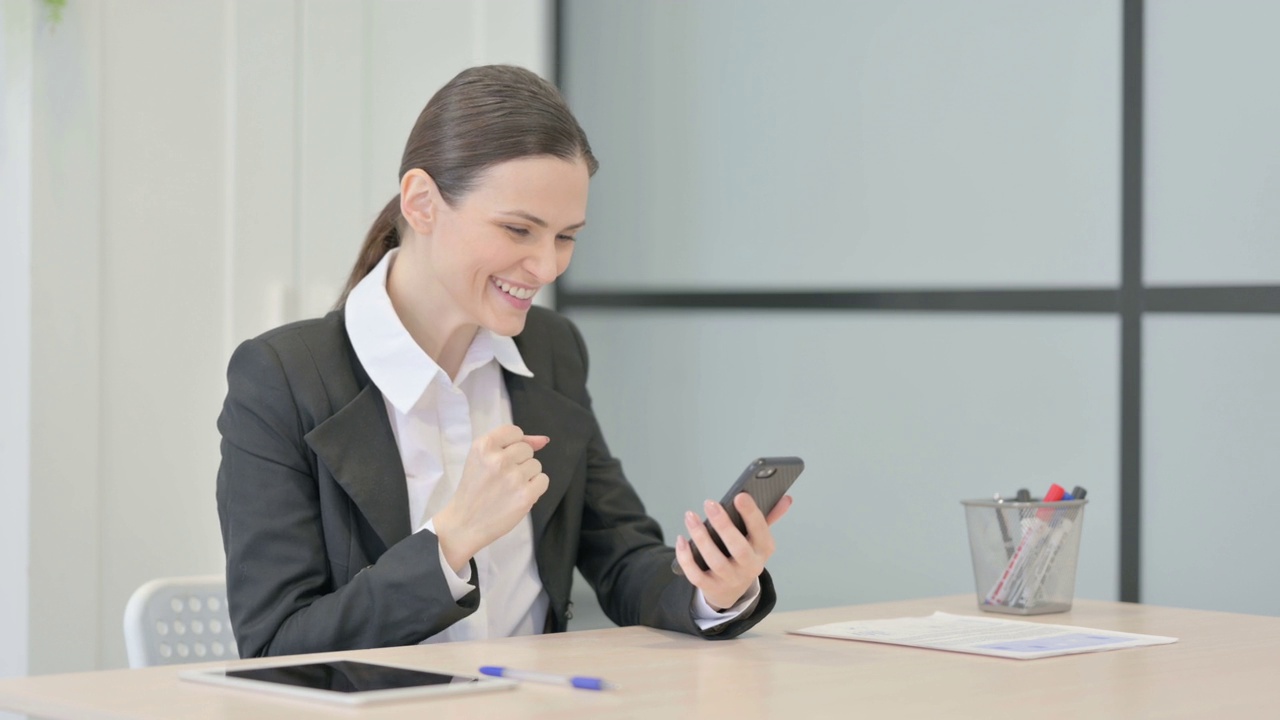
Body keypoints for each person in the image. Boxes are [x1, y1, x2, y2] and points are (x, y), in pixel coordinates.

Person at [215, 65, 793, 657]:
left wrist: (714, 589)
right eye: (519, 230)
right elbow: (277, 647)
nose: (546, 267)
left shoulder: (551, 351)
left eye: (566, 237)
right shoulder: (281, 380)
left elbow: (620, 557)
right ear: (422, 203)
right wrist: (452, 538)